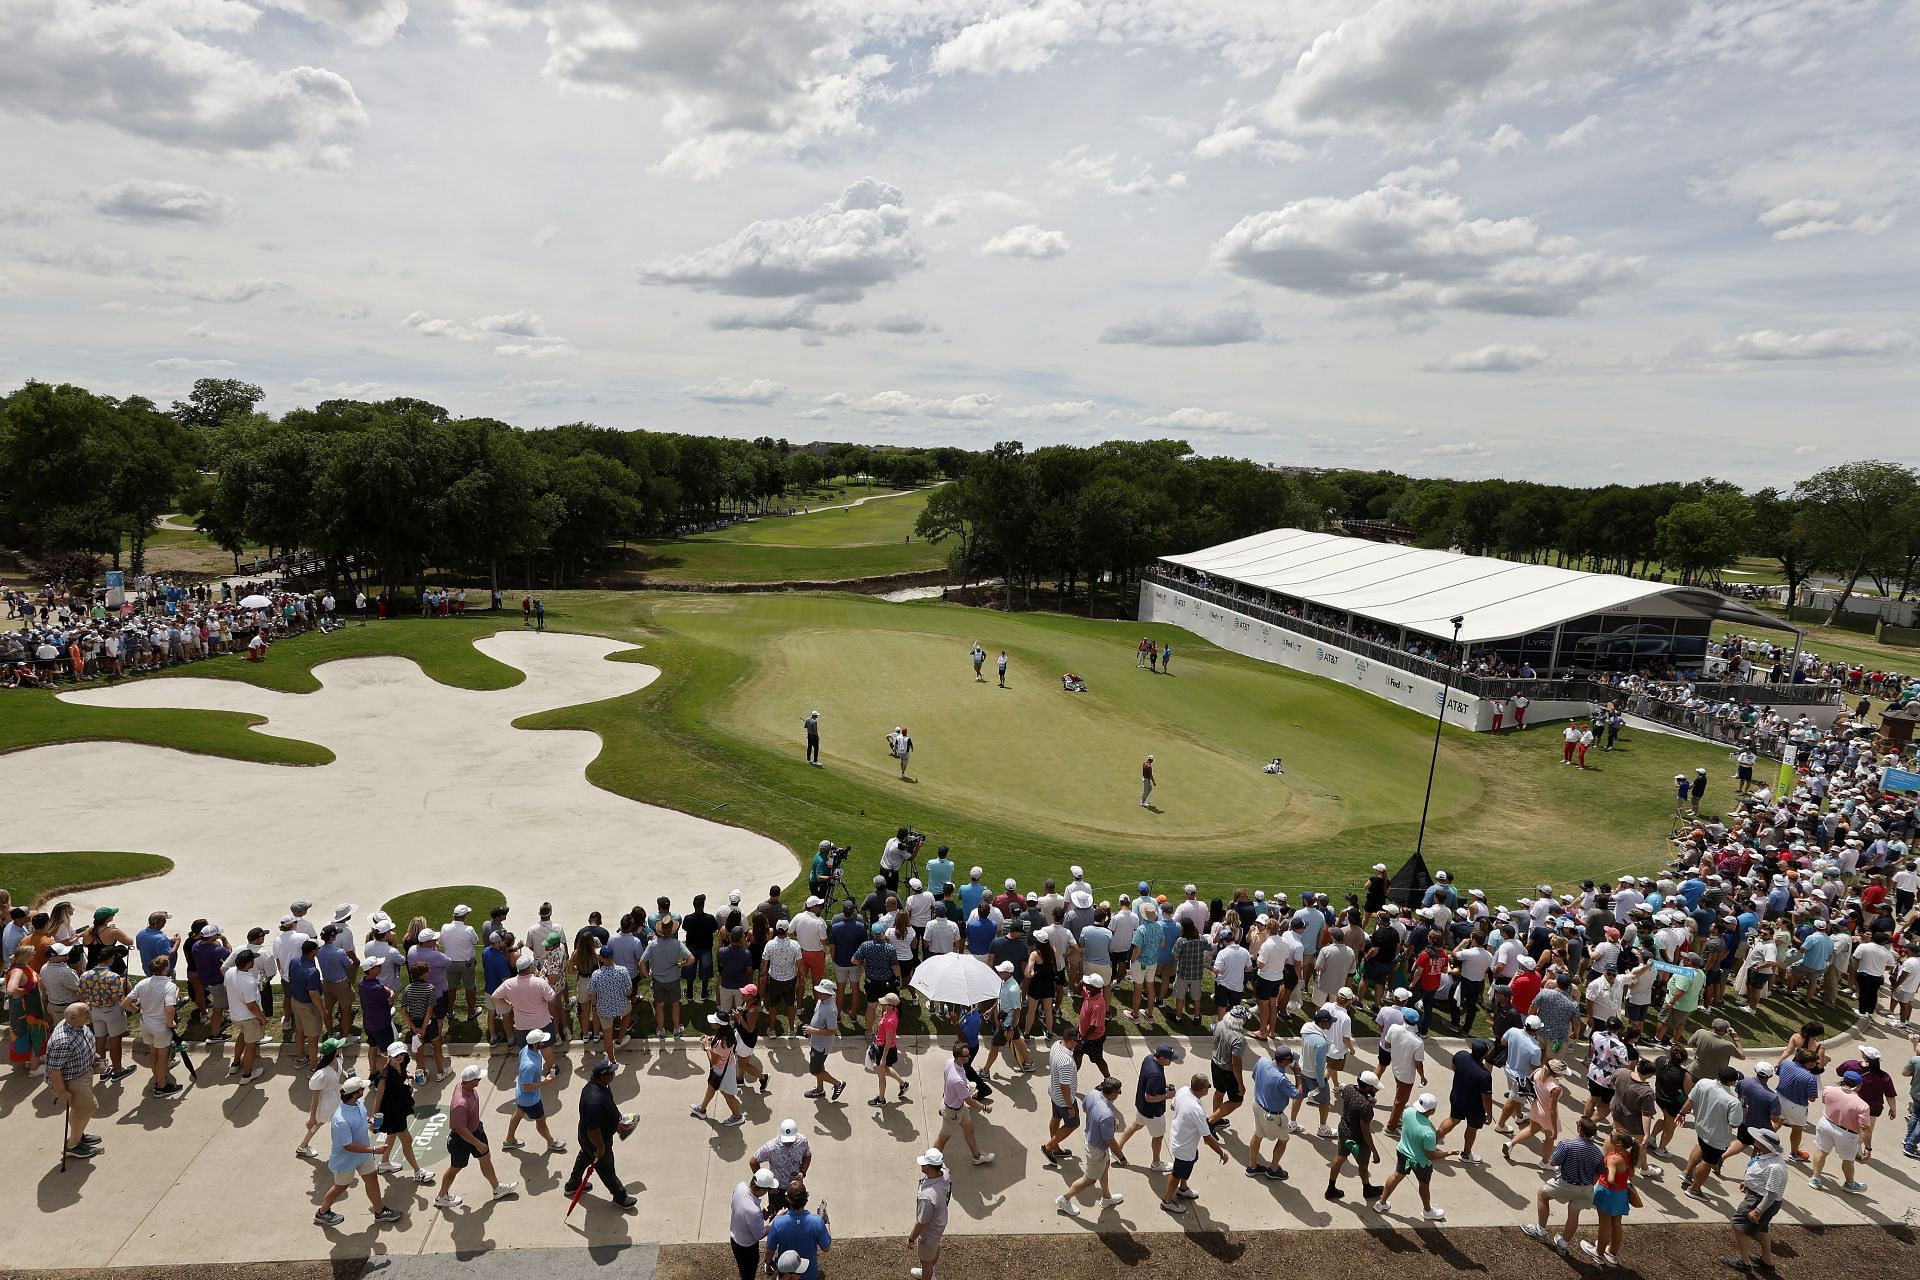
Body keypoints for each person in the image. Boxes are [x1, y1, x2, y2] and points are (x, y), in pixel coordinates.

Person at [315, 1076, 401, 1227]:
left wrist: (370, 1120)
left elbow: (361, 1118)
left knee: (372, 1179)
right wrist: (374, 1149)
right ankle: (322, 1213)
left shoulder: (358, 1104)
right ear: (355, 1094)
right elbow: (348, 1146)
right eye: (362, 1089)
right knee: (340, 1187)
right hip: (346, 1160)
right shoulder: (340, 1120)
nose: (364, 1090)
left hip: (362, 1154)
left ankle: (380, 1212)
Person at [436, 1064, 519, 1209]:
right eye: (478, 1079)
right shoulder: (460, 1104)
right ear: (470, 1081)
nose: (479, 1081)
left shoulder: (466, 1087)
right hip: (462, 1140)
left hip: (476, 1131)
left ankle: (497, 1188)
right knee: (455, 1168)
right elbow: (461, 1130)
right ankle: (441, 1197)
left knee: (485, 1158)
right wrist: (477, 1144)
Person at [1523, 1116, 1605, 1255]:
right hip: (1586, 1189)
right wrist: (1588, 1185)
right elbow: (1598, 1173)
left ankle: (1540, 1231)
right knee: (1574, 1214)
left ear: (1579, 1129)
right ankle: (1563, 1244)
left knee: (1542, 1195)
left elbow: (1554, 1162)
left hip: (1565, 1184)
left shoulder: (1567, 1144)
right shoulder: (1598, 1152)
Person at [564, 1058, 635, 1208]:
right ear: (603, 1076)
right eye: (611, 1073)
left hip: (589, 1137)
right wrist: (601, 1147)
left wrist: (617, 1121)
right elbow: (593, 1130)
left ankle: (573, 1184)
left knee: (585, 1155)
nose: (614, 1075)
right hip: (595, 1138)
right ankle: (620, 1196)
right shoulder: (594, 1101)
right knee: (606, 1166)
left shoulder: (600, 1085)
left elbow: (607, 1107)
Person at [1057, 1076, 1128, 1215]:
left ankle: (1107, 1197)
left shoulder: (1093, 1094)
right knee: (1089, 1179)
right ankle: (1064, 1199)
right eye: (1119, 1092)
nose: (1119, 1094)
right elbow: (1110, 1140)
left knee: (1105, 1167)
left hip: (1092, 1139)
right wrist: (1121, 1157)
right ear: (1113, 1094)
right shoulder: (1107, 1115)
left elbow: (1085, 1108)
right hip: (1097, 1149)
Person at [1374, 1092, 1449, 1220]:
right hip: (1420, 1162)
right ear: (1431, 1111)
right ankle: (1428, 1211)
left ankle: (1381, 1203)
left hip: (1403, 1152)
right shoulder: (1429, 1132)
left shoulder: (1408, 1112)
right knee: (1424, 1185)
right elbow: (1430, 1155)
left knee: (1396, 1175)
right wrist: (1448, 1153)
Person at [1723, 1128, 1790, 1273]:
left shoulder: (1776, 1167)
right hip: (1759, 1197)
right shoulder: (1766, 1156)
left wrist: (1758, 1210)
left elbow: (1771, 1194)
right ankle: (1767, 1261)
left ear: (1765, 1145)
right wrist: (1749, 1182)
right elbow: (1761, 1174)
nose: (1754, 1139)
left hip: (1760, 1201)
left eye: (1758, 1139)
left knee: (1738, 1224)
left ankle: (1744, 1263)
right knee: (1761, 1229)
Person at [1161, 1074, 1228, 1214]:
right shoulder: (1197, 1111)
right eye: (1208, 1086)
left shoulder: (1183, 1090)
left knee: (1193, 1159)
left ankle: (1183, 1189)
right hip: (1183, 1147)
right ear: (1203, 1090)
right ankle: (1166, 1201)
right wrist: (1221, 1153)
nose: (1209, 1088)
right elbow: (1207, 1139)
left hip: (1181, 1139)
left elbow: (1173, 1106)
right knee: (1177, 1173)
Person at [370, 1043, 435, 1186]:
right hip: (392, 1111)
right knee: (407, 1140)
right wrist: (374, 1117)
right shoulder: (385, 1076)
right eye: (396, 1056)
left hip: (400, 1105)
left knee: (392, 1135)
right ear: (389, 1057)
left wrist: (409, 1076)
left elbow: (403, 1071)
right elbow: (379, 1097)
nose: (399, 1058)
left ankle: (384, 1163)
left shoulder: (404, 1061)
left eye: (401, 1054)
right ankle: (418, 1172)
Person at [44, 1003, 100, 1160]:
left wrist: (92, 1054)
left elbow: (82, 1039)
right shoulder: (62, 1041)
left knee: (79, 1110)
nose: (89, 1015)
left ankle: (78, 1134)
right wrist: (61, 1091)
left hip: (82, 1072)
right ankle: (72, 1145)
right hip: (72, 1080)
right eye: (85, 1013)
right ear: (72, 1018)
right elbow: (54, 1069)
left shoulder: (76, 1024)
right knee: (87, 1108)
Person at [122, 954, 181, 1096]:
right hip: (160, 1026)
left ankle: (158, 1079)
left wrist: (138, 1011)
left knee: (153, 1054)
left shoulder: (143, 983)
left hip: (146, 1024)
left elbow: (125, 1003)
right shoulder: (169, 986)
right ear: (165, 968)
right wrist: (170, 1022)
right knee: (163, 1057)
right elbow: (169, 1008)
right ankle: (161, 1086)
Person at [1116, 1042, 1180, 1171]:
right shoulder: (1155, 1074)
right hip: (1153, 1112)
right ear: (1161, 1058)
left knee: (1136, 1125)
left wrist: (1164, 1085)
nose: (1171, 1061)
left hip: (1141, 1107)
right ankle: (1156, 1163)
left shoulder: (1149, 1058)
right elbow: (1149, 1097)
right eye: (1170, 1059)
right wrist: (1168, 1095)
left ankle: (1116, 1150)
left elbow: (1148, 1080)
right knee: (1158, 1137)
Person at [501, 1028, 567, 1153]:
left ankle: (509, 1140)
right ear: (535, 1044)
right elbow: (526, 1087)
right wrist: (545, 1082)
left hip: (522, 1097)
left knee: (518, 1114)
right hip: (530, 1100)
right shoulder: (529, 1065)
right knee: (541, 1121)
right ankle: (551, 1142)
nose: (545, 1043)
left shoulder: (525, 1050)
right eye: (543, 1042)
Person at [1585, 1129, 1639, 1267]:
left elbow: (1610, 1179)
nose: (1608, 1137)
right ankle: (1612, 1253)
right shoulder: (1628, 1155)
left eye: (1611, 1136)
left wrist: (1612, 1181)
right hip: (1621, 1195)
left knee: (1604, 1225)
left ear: (1618, 1143)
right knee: (1616, 1224)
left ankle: (1598, 1253)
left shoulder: (1613, 1158)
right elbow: (1631, 1173)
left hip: (1608, 1194)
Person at [1809, 1070, 1870, 1192]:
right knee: (1848, 1160)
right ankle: (1849, 1184)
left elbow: (1825, 1102)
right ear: (1858, 1086)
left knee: (1821, 1151)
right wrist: (1868, 1147)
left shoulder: (1828, 1090)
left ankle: (1815, 1178)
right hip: (1847, 1134)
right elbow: (1864, 1128)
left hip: (1826, 1124)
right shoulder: (1862, 1106)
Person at [935, 1042, 995, 1165]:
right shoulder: (957, 1081)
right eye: (967, 1055)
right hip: (952, 1113)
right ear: (959, 1057)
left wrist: (966, 1085)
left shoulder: (950, 1062)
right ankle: (930, 1163)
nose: (969, 1057)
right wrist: (984, 1107)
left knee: (969, 1129)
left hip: (959, 1109)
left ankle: (977, 1157)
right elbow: (969, 1101)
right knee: (942, 1140)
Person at [1327, 1070, 1381, 1203]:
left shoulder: (1348, 1088)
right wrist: (1374, 1151)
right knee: (1363, 1165)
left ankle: (1331, 1188)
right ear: (1368, 1087)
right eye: (1374, 1087)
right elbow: (1365, 1131)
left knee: (1340, 1158)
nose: (1376, 1089)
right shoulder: (1365, 1106)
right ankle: (1367, 1189)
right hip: (1358, 1140)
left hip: (1344, 1131)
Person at [1248, 1043, 1301, 1179]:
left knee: (1257, 1135)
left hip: (1257, 1105)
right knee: (1283, 1139)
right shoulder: (1281, 1079)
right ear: (1284, 1062)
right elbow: (1297, 1094)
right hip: (1271, 1115)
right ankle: (1273, 1170)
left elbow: (1254, 1077)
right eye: (1290, 1061)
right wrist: (1297, 1074)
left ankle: (1252, 1167)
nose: (1291, 1062)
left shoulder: (1262, 1061)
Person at [1435, 1039, 1492, 1165]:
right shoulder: (1484, 1075)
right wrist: (1489, 1114)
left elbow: (1454, 1067)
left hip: (1457, 1097)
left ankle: (1430, 1143)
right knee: (1472, 1129)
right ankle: (1466, 1154)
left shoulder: (1460, 1055)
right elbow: (1486, 1098)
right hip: (1474, 1107)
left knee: (1452, 1119)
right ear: (1484, 1055)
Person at [764, 1185, 831, 1278]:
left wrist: (768, 1263)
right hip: (809, 1274)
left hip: (787, 1275)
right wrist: (826, 1222)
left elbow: (769, 1252)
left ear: (788, 1200)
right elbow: (826, 1248)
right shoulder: (817, 1222)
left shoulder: (778, 1223)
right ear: (806, 1199)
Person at [693, 1012, 748, 1127]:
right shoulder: (727, 1033)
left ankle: (737, 1116)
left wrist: (707, 1046)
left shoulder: (720, 1044)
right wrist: (711, 1039)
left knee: (727, 1095)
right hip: (727, 1068)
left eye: (714, 1021)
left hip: (721, 1071)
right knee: (712, 1087)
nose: (711, 1022)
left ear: (719, 1025)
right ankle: (702, 1109)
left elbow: (713, 1062)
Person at [298, 1038, 349, 1158]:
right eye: (339, 1047)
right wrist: (312, 1118)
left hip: (337, 1098)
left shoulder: (338, 1059)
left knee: (340, 1121)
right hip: (326, 1103)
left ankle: (303, 1146)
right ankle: (302, 1146)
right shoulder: (322, 1074)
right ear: (334, 1052)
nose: (342, 1047)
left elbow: (340, 1070)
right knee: (319, 1122)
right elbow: (315, 1098)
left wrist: (347, 1075)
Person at [908, 1148, 952, 1279]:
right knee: (934, 1248)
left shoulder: (927, 1197)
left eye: (923, 1163)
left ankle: (928, 1273)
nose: (921, 1165)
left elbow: (921, 1223)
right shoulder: (945, 1173)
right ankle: (931, 1270)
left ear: (928, 1168)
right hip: (939, 1224)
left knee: (925, 1261)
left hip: (929, 1232)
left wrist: (911, 1239)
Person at [1041, 1026, 1082, 1164]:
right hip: (1064, 1100)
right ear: (1070, 1041)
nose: (1078, 1043)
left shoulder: (1056, 1045)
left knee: (1056, 1117)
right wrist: (1070, 1107)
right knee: (1073, 1124)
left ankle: (1055, 1148)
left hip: (1054, 1093)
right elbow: (1064, 1086)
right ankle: (1048, 1147)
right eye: (1076, 1041)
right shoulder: (1067, 1062)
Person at [730, 1168, 780, 1280]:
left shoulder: (740, 1186)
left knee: (742, 1268)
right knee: (748, 1273)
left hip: (735, 1237)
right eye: (767, 1189)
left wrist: (760, 1213)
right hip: (747, 1248)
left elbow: (741, 1208)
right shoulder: (753, 1211)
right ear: (762, 1190)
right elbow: (759, 1234)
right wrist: (776, 1220)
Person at [803, 979, 847, 1101]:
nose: (819, 994)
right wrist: (811, 1029)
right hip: (816, 1041)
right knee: (819, 1067)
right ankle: (819, 1089)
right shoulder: (821, 1001)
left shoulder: (831, 1010)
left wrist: (813, 1031)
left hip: (821, 1046)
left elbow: (832, 1031)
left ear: (829, 994)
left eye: (821, 992)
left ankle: (838, 1084)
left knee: (814, 1070)